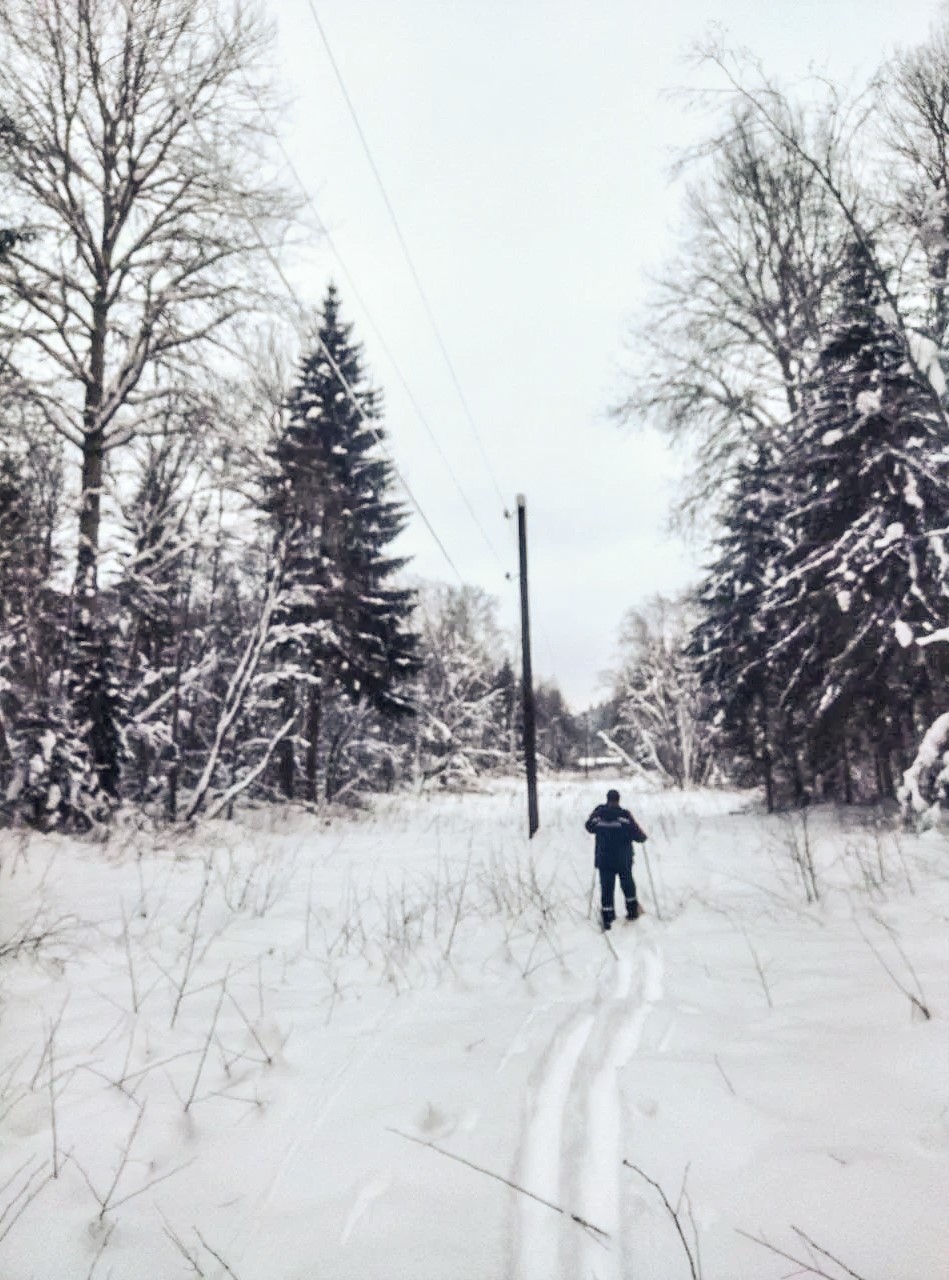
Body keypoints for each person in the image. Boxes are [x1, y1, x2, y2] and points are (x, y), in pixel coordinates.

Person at [585, 788, 648, 931]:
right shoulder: (624, 816)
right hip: (623, 860)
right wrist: (642, 838)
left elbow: (588, 827)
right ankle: (632, 912)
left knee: (607, 889)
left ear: (607, 799)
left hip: (604, 860)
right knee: (627, 885)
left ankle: (608, 919)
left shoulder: (599, 814)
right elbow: (638, 835)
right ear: (618, 800)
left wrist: (597, 813)